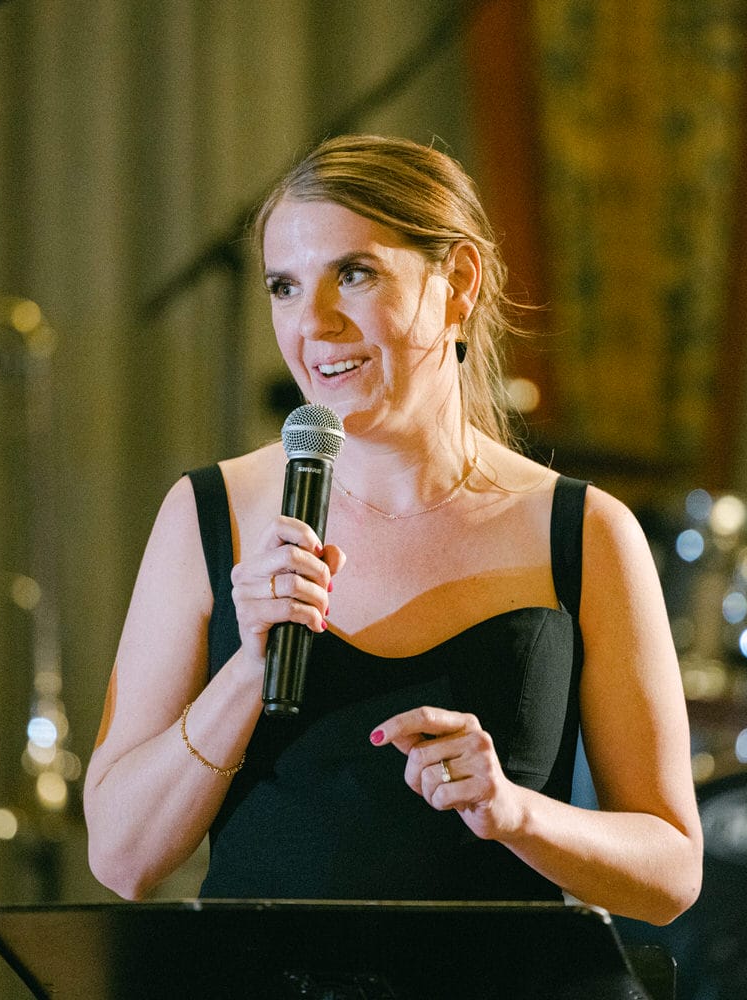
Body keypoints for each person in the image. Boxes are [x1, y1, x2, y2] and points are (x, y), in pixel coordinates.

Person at [83, 134, 701, 925]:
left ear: (459, 282)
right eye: (283, 286)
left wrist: (516, 814)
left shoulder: (583, 532)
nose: (314, 323)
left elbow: (671, 872)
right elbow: (123, 860)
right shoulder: (209, 512)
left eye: (354, 274)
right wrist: (245, 672)